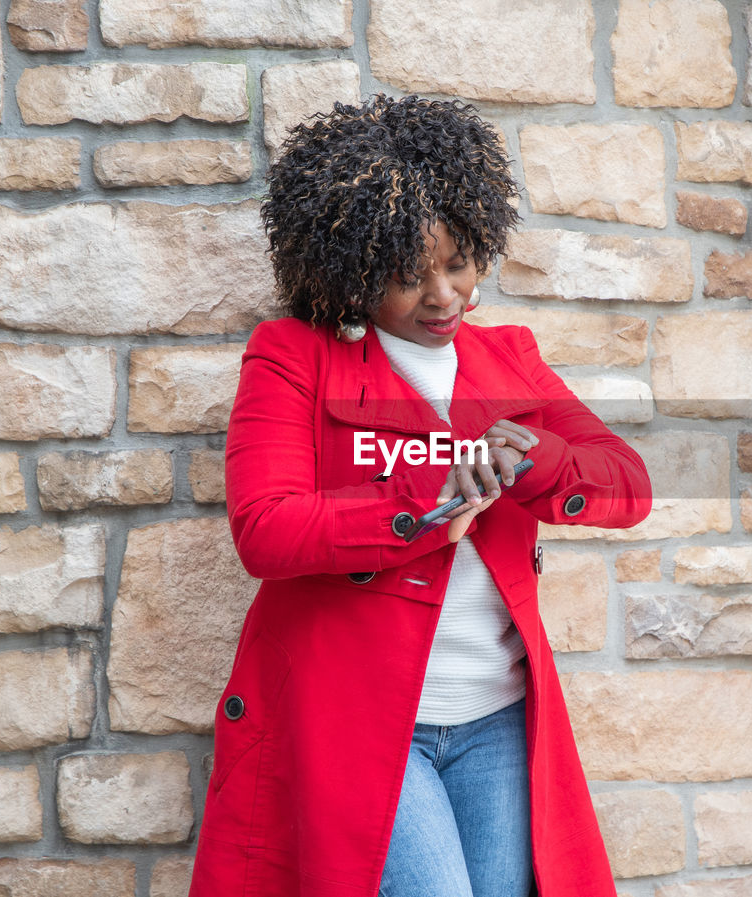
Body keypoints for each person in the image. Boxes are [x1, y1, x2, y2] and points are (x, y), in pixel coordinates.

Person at [187, 94, 652, 897]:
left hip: (498, 719)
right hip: (360, 721)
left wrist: (538, 458)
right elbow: (265, 528)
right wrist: (422, 502)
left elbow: (627, 484)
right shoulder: (292, 357)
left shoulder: (511, 357)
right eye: (407, 275)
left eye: (460, 262)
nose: (444, 295)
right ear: (353, 269)